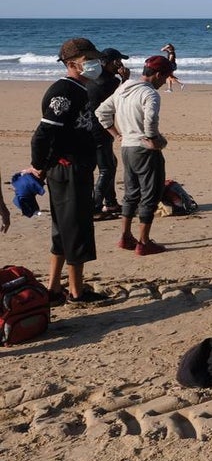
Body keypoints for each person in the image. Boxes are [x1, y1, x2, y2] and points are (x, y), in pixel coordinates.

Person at [28, 38, 111, 305]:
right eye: (89, 61)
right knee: (76, 229)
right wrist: (38, 165)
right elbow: (43, 133)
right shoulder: (64, 91)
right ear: (72, 63)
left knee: (64, 229)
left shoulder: (80, 88)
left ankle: (53, 288)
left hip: (76, 166)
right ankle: (76, 292)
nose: (95, 64)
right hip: (68, 168)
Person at [96, 55, 174, 256]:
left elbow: (101, 112)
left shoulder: (123, 88)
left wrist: (118, 134)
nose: (165, 81)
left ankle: (125, 235)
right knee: (150, 193)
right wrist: (153, 138)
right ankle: (144, 241)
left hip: (127, 148)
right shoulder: (150, 94)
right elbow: (150, 119)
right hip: (144, 148)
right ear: (157, 74)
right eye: (165, 77)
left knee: (131, 193)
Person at [88, 47, 129, 219]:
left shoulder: (93, 78)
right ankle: (95, 207)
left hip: (90, 127)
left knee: (109, 163)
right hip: (100, 128)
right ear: (110, 63)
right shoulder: (109, 82)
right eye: (118, 61)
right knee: (107, 167)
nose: (120, 64)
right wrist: (125, 79)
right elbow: (123, 97)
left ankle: (110, 202)